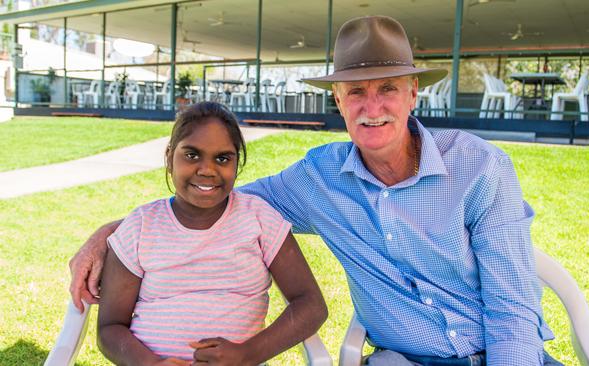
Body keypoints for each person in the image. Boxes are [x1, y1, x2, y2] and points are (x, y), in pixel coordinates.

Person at [71, 16, 560, 366]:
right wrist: (108, 235)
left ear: (414, 93)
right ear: (338, 101)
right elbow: (209, 198)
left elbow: (513, 307)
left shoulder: (480, 167)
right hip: (402, 358)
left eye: (387, 88)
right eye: (356, 92)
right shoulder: (318, 177)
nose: (372, 107)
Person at [96, 102, 327, 366]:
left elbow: (311, 306)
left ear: (237, 163)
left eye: (222, 158)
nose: (207, 170)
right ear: (170, 157)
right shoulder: (141, 226)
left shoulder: (259, 219)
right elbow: (110, 328)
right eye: (192, 155)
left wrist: (246, 354)